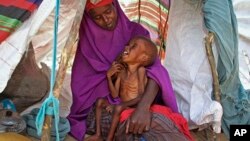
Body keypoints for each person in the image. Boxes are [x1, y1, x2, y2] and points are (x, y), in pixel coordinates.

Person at [68, 0, 178, 140]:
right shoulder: (87, 45)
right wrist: (110, 78)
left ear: (115, 6)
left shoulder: (136, 33)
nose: (106, 19)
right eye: (97, 17)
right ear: (89, 19)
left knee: (159, 125)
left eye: (108, 11)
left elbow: (157, 71)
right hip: (104, 111)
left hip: (138, 104)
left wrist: (143, 107)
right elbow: (83, 94)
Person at [85, 36, 158, 141]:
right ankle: (98, 134)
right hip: (121, 104)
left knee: (118, 108)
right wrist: (109, 77)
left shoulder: (140, 71)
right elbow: (115, 95)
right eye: (128, 44)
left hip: (132, 107)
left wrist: (120, 105)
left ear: (143, 58)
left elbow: (141, 97)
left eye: (133, 46)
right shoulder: (122, 72)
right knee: (100, 101)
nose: (126, 47)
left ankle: (109, 138)